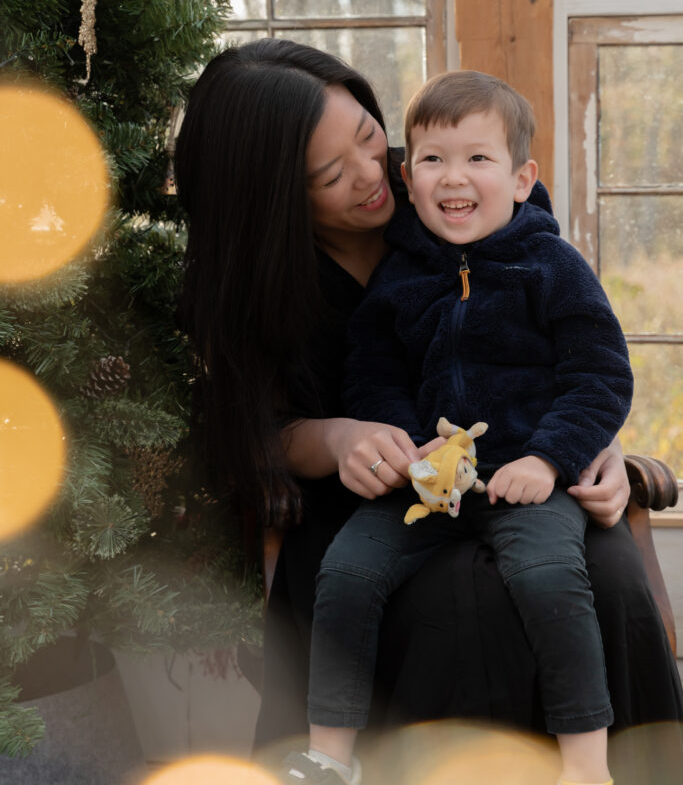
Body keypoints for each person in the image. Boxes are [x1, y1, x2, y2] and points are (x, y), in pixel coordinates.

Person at [173, 40, 682, 782]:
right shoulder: (256, 288)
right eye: (329, 173)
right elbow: (253, 436)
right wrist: (336, 436)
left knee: (594, 567)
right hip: (374, 499)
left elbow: (567, 352)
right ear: (273, 196)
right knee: (457, 596)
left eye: (370, 137)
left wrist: (583, 450)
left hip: (521, 472)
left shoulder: (456, 185)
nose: (372, 176)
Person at [288, 71, 634, 785]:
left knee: (549, 579)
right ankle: (328, 757)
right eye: (432, 160)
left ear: (519, 177)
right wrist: (403, 444)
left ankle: (585, 764)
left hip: (525, 480)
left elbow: (598, 376)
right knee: (347, 573)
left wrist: (547, 459)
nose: (454, 177)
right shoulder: (399, 279)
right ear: (408, 178)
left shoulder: (551, 268)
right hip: (426, 483)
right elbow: (372, 374)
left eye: (477, 158)